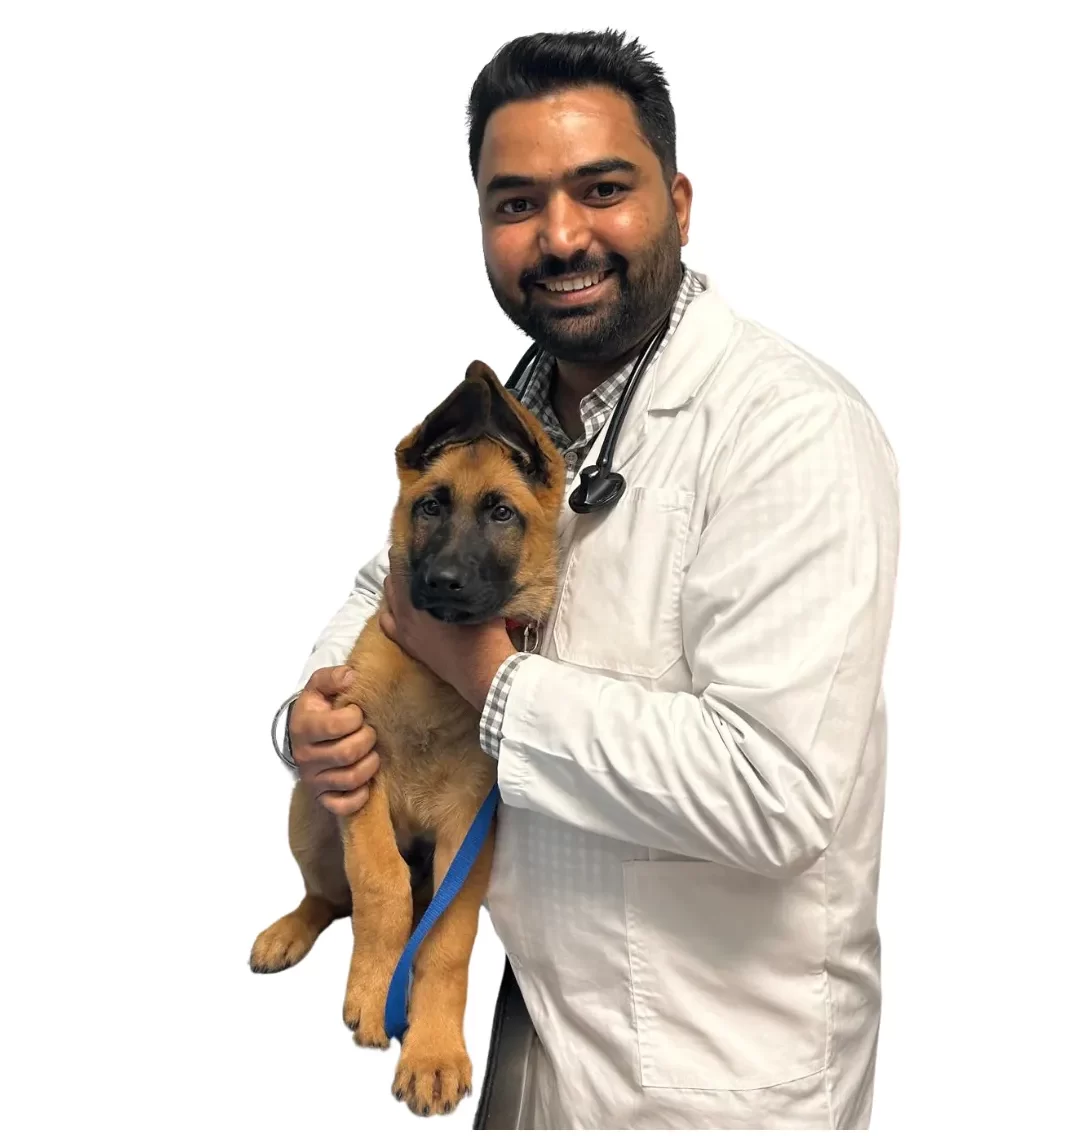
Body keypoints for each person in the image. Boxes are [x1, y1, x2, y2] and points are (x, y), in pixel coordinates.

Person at [270, 29, 900, 1130]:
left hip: (719, 1077)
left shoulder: (790, 432)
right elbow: (391, 582)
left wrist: (487, 679)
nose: (560, 235)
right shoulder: (517, 421)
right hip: (537, 1027)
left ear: (680, 199)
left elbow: (779, 791)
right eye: (516, 203)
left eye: (601, 188)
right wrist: (317, 709)